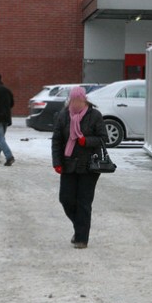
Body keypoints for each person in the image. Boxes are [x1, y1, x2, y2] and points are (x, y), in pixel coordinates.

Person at [52, 86, 107, 249]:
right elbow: (57, 140)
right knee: (66, 199)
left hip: (89, 166)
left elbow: (104, 138)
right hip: (68, 164)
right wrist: (57, 162)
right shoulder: (64, 115)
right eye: (73, 100)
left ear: (84, 100)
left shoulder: (94, 115)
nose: (75, 103)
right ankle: (80, 227)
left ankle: (82, 238)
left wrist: (87, 141)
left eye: (78, 100)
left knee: (84, 202)